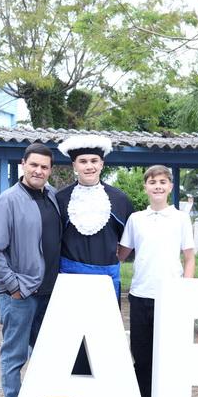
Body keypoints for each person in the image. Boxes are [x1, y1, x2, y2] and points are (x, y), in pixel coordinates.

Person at [0, 143, 61, 397]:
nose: (38, 171)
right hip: (21, 294)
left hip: (49, 293)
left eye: (44, 167)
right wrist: (14, 287)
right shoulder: (7, 201)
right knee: (15, 355)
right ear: (23, 164)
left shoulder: (52, 196)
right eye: (34, 165)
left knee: (46, 355)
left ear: (50, 170)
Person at [118, 165, 196, 397]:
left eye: (163, 182)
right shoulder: (136, 219)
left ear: (170, 186)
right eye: (153, 182)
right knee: (141, 356)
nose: (158, 186)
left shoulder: (181, 218)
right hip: (141, 295)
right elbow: (120, 254)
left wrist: (185, 290)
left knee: (169, 358)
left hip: (170, 297)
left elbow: (189, 258)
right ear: (146, 187)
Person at [56, 134, 134, 378]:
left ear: (102, 164)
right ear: (74, 165)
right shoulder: (60, 199)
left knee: (104, 339)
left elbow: (129, 241)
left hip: (106, 280)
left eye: (93, 161)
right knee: (70, 339)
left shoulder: (120, 200)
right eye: (83, 161)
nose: (89, 166)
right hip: (70, 279)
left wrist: (114, 261)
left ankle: (104, 393)